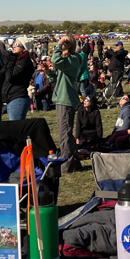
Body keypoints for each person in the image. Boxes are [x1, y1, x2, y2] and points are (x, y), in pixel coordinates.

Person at [51, 36, 84, 173]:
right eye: (62, 40)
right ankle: (73, 162)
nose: (63, 43)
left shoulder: (73, 59)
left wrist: (58, 45)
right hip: (63, 98)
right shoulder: (68, 61)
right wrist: (48, 74)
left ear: (71, 45)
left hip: (66, 100)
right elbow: (59, 80)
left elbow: (55, 60)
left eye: (66, 42)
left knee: (64, 133)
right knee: (67, 133)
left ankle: (66, 165)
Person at [3, 40, 35, 121]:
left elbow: (10, 77)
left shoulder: (25, 62)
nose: (14, 46)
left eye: (17, 44)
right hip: (11, 97)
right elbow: (1, 75)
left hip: (18, 97)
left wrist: (10, 63)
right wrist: (7, 62)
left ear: (24, 48)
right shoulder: (17, 61)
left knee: (16, 128)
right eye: (14, 44)